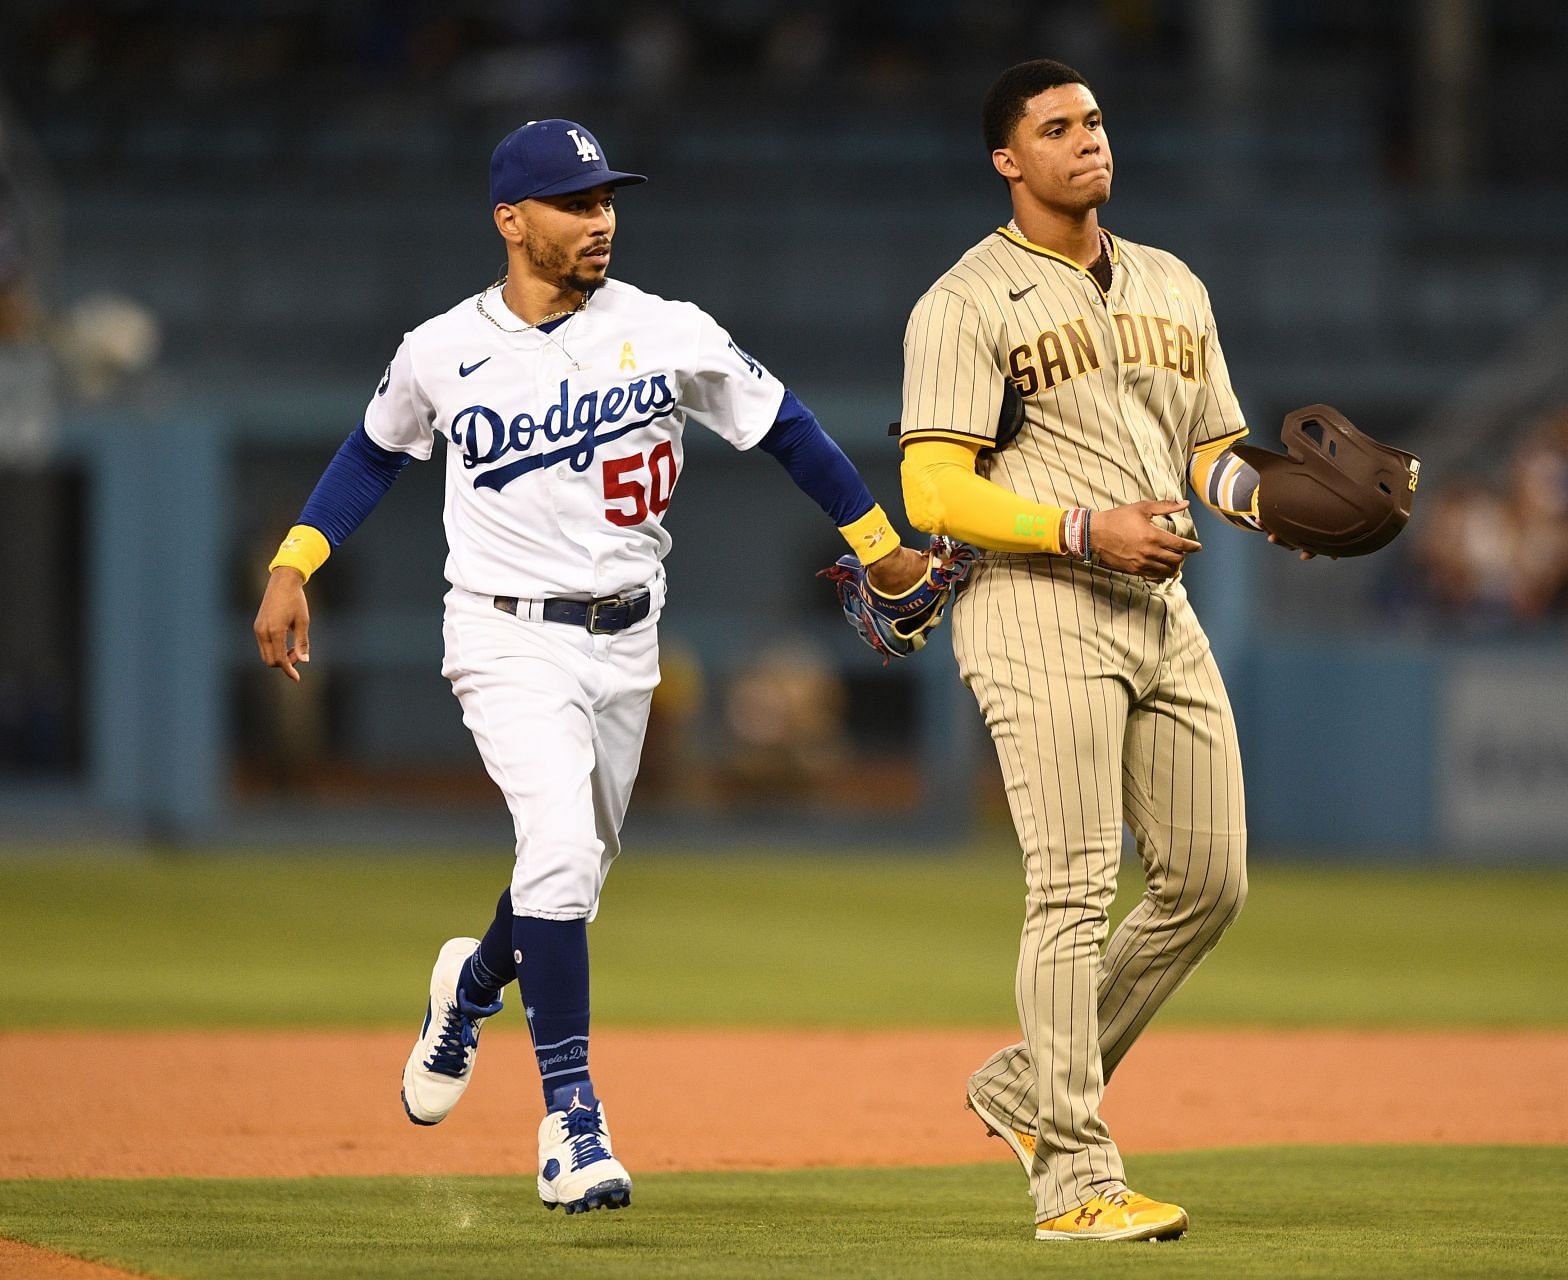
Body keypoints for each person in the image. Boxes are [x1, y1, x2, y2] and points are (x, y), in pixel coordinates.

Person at [251, 119, 931, 1215]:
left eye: (607, 198)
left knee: (572, 877)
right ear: (511, 220)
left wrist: (877, 540)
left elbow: (787, 426)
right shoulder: (441, 347)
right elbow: (374, 448)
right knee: (559, 851)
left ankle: (467, 993)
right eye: (574, 202)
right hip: (504, 633)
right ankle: (572, 1120)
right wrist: (295, 560)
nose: (600, 218)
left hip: (628, 642)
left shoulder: (666, 328)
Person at [897, 60, 1278, 1242]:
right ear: (1008, 160)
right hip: (1034, 603)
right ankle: (1073, 1177)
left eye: (1096, 121)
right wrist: (1079, 526)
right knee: (1070, 880)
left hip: (1160, 605)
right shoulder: (965, 302)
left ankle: (1027, 1083)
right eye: (1056, 128)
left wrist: (1279, 507)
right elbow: (930, 484)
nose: (1086, 141)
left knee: (1209, 878)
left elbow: (1212, 450)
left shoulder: (1172, 281)